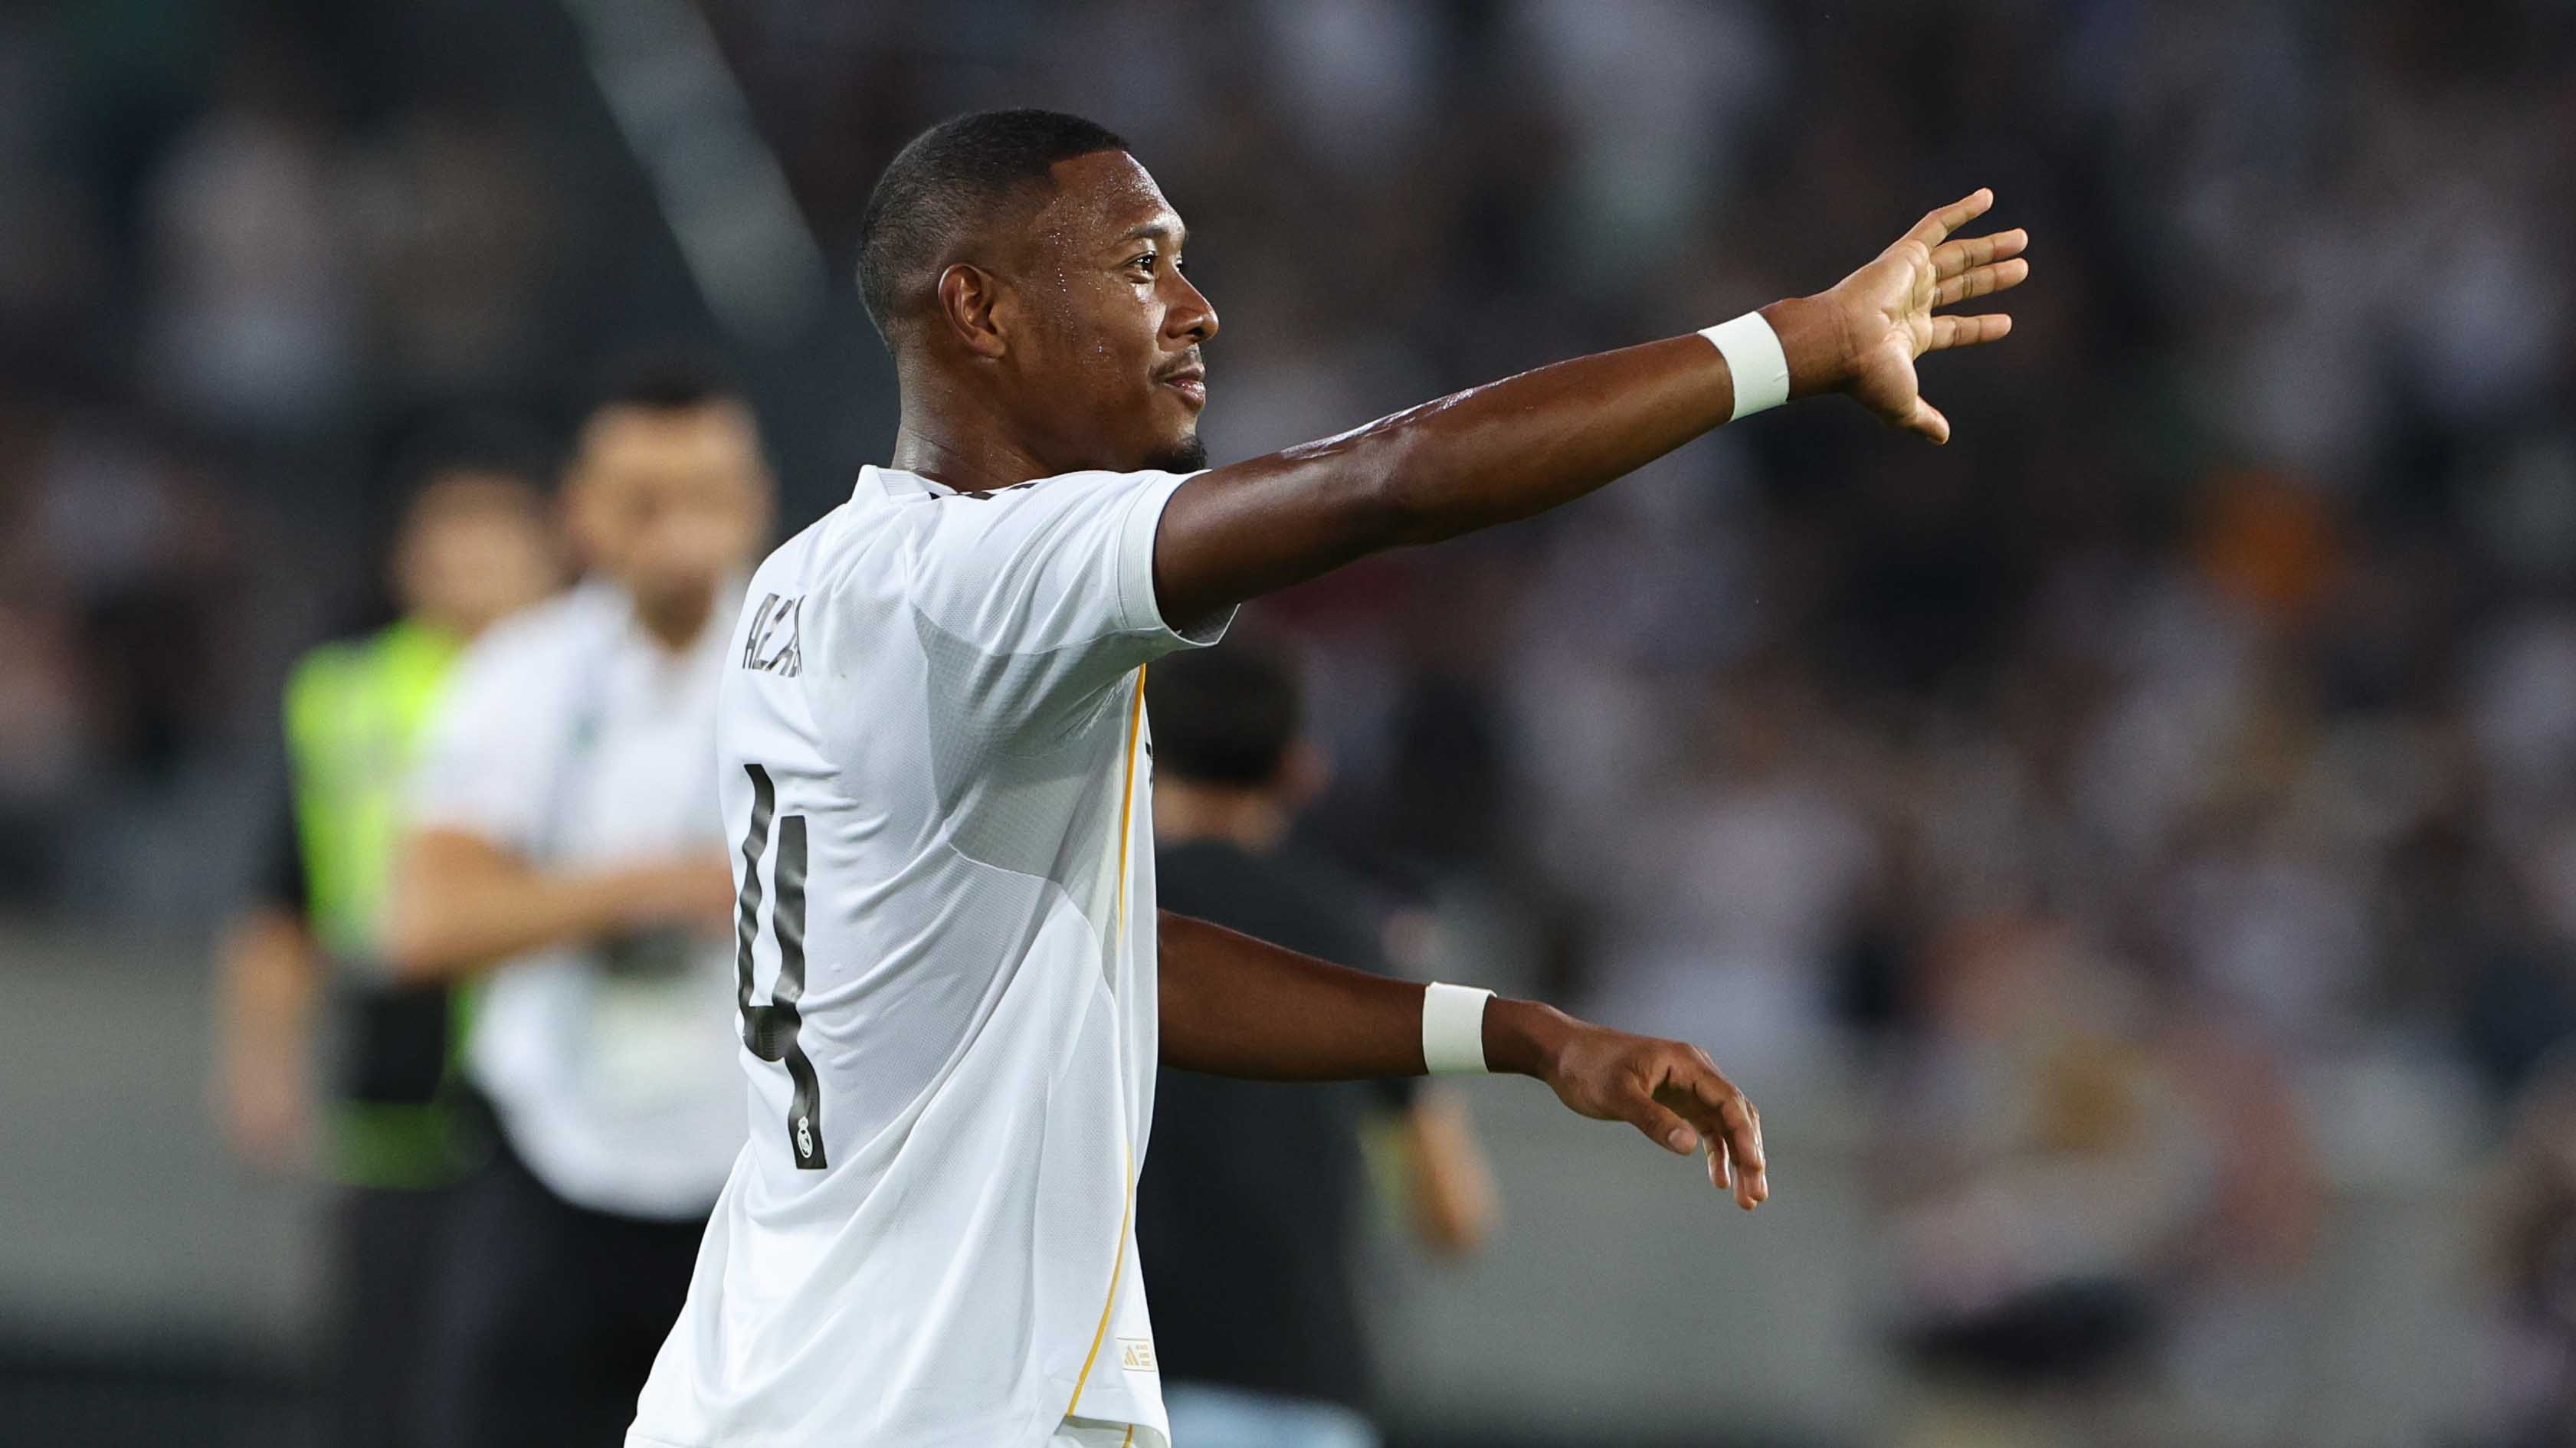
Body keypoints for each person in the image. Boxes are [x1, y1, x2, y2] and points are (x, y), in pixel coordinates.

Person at [629, 108, 2025, 1448]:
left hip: (763, 1383)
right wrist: (1795, 344)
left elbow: (1116, 966)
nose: (1195, 309)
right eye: (1139, 264)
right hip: (925, 1409)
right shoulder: (985, 577)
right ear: (977, 309)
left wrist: (1518, 1034)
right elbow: (1390, 478)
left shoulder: (811, 584)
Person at [388, 361, 774, 1448]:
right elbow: (425, 921)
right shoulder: (520, 674)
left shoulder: (824, 676)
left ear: (756, 504)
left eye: (707, 497)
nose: (680, 533)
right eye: (644, 501)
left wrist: (554, 894)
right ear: (582, 512)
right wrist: (655, 887)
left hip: (751, 1180)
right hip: (550, 1159)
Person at [211, 441, 561, 1448]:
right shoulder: (345, 695)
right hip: (396, 1099)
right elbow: (285, 893)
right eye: (446, 530)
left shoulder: (593, 684)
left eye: (495, 531)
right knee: (386, 1388)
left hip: (564, 1109)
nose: (469, 558)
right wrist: (261, 1058)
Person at [1139, 640, 1496, 1448]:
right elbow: (1455, 1213)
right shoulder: (1354, 936)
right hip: (1300, 1388)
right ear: (1301, 768)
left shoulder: (1085, 914)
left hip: (1115, 1382)